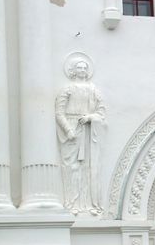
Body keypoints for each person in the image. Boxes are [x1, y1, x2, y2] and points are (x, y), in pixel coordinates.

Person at [55, 59, 105, 215]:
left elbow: (101, 111)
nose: (83, 70)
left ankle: (88, 204)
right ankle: (72, 203)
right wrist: (68, 130)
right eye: (79, 67)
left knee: (87, 168)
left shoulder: (93, 90)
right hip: (72, 129)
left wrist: (90, 117)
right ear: (73, 71)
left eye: (85, 67)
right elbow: (59, 112)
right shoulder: (67, 89)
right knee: (71, 167)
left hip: (88, 130)